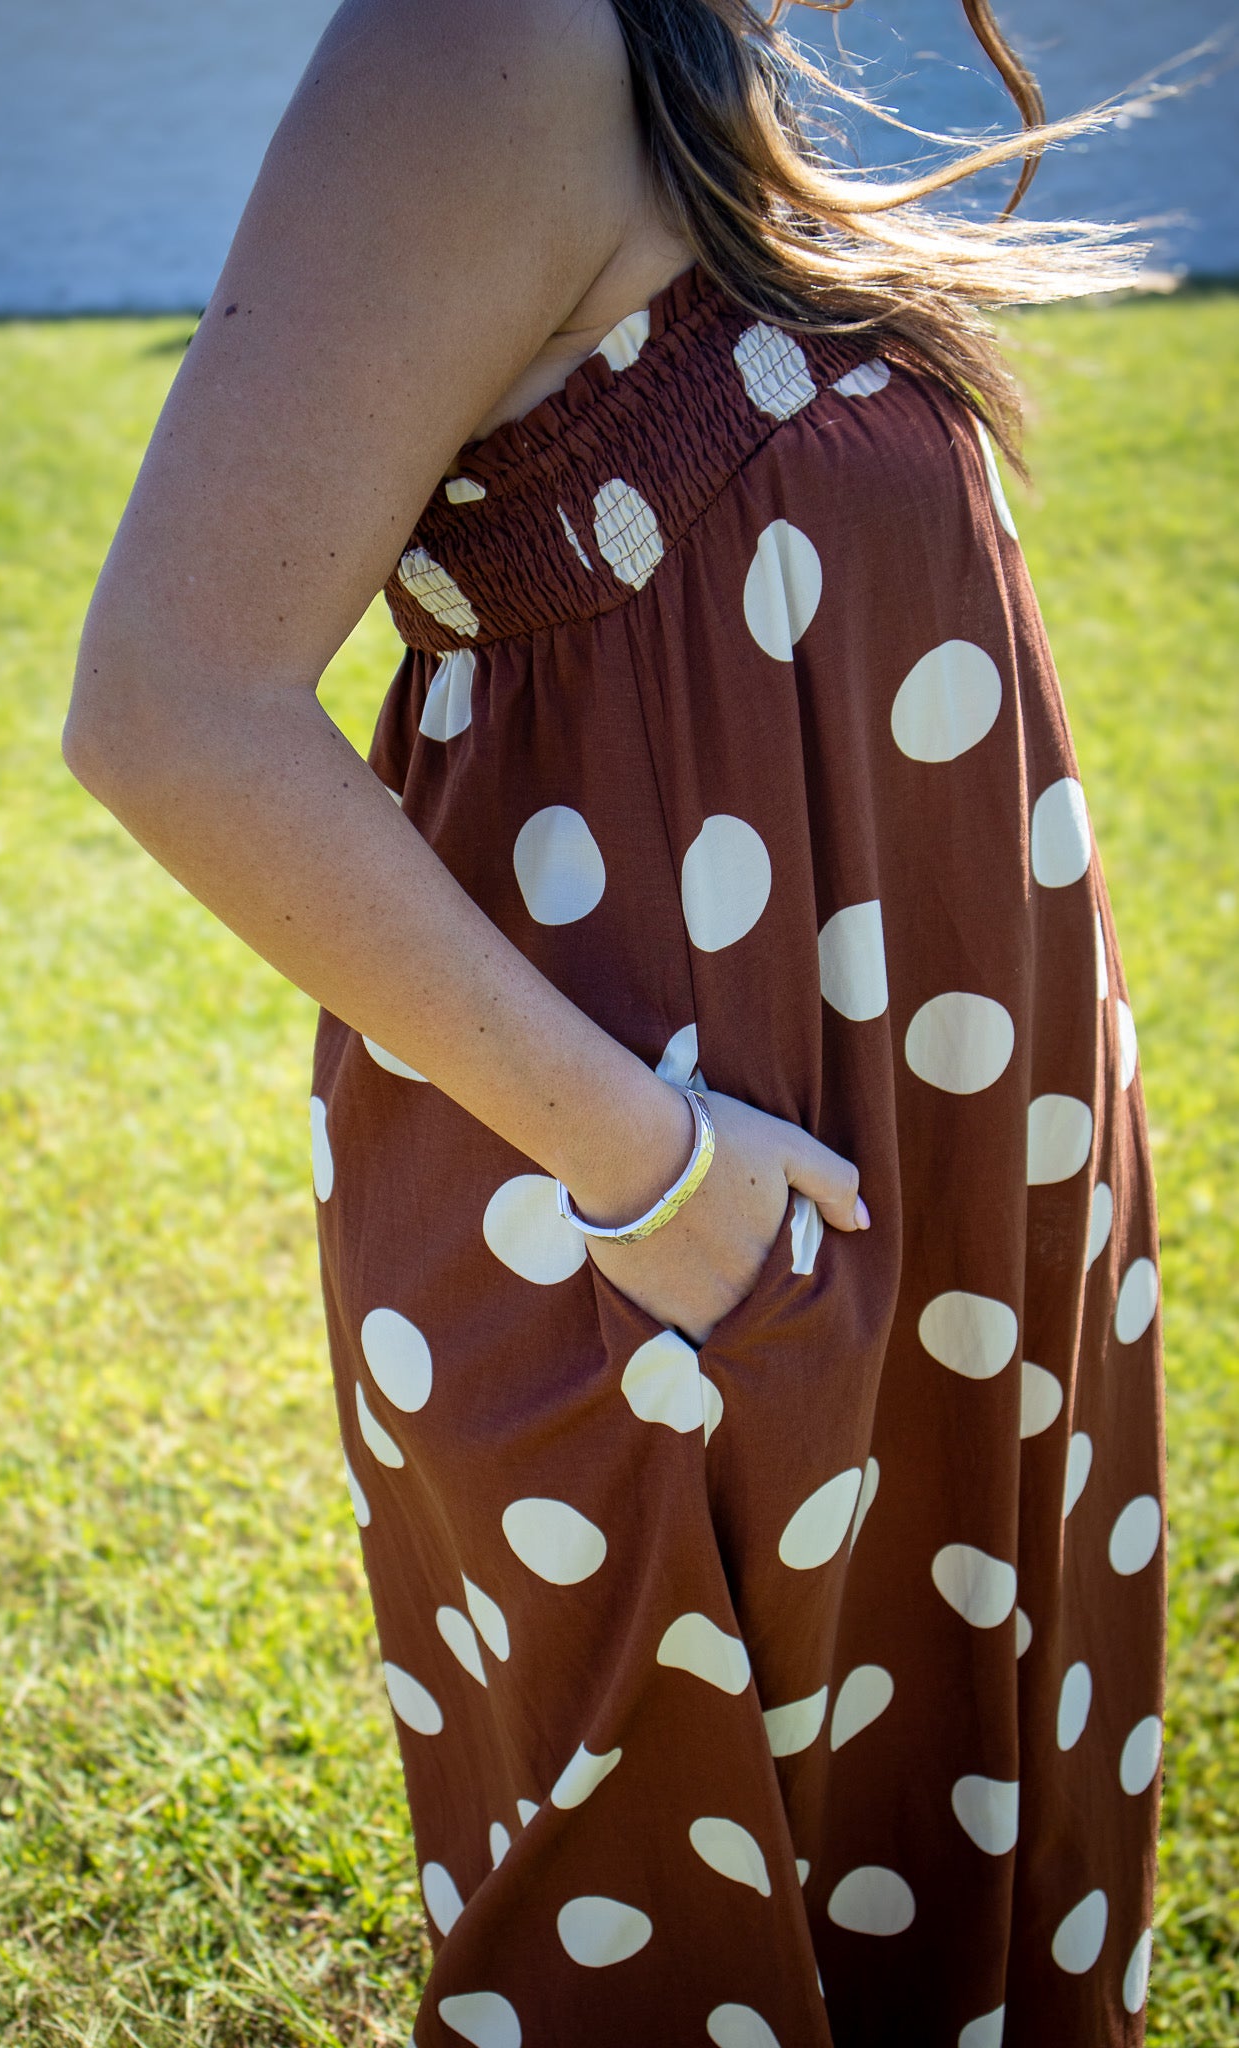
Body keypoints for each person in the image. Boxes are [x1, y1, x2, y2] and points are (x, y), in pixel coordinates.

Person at [62, 1, 1166, 2041]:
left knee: (940, 1864)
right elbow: (168, 704)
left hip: (922, 1176)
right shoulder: (490, 32)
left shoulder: (679, 33)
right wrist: (658, 1181)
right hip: (680, 1208)